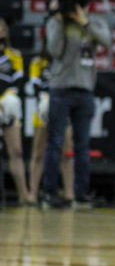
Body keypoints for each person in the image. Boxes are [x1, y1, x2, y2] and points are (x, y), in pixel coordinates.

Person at [40, 0, 111, 209]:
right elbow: (55, 51)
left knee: (82, 145)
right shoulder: (56, 21)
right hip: (61, 88)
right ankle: (50, 191)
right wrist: (61, 20)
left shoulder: (95, 21)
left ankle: (81, 193)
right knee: (56, 141)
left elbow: (106, 42)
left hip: (85, 89)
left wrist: (83, 22)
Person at [26, 47, 75, 205]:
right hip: (43, 108)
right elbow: (33, 86)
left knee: (67, 151)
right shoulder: (38, 63)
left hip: (62, 108)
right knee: (38, 152)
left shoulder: (65, 62)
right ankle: (33, 192)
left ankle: (69, 192)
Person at [0, 18, 34, 205]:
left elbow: (18, 82)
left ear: (5, 32)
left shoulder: (14, 55)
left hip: (8, 105)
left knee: (17, 151)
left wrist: (6, 101)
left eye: (1, 28)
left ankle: (24, 194)